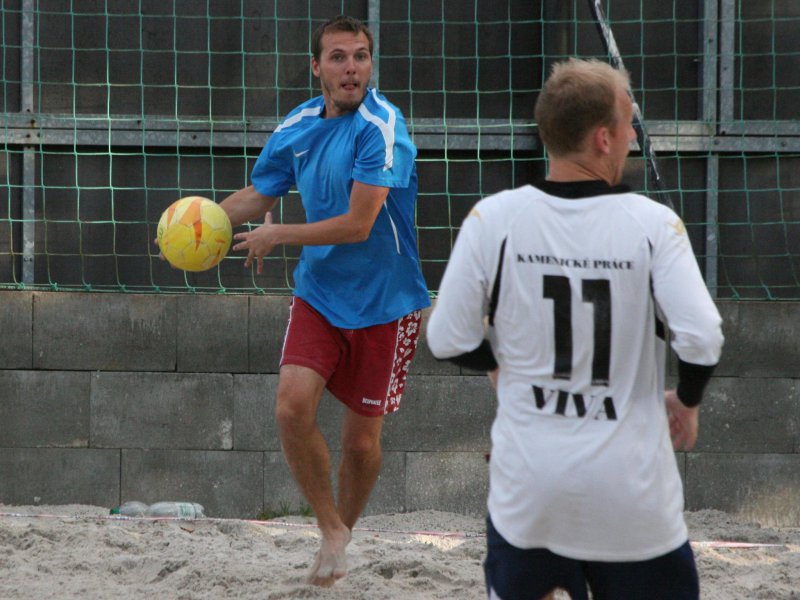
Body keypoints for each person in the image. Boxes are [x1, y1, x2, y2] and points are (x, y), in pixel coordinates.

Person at [426, 58, 724, 600]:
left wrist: (498, 367)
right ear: (604, 138)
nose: (635, 134)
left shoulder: (494, 218)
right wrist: (687, 399)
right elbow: (702, 336)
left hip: (531, 496)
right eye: (630, 121)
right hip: (631, 497)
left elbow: (447, 338)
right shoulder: (652, 224)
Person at [218, 15, 430, 587]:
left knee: (361, 443)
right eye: (338, 57)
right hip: (319, 292)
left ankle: (343, 532)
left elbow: (360, 224)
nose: (351, 68)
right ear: (317, 68)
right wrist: (201, 224)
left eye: (360, 56)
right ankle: (329, 528)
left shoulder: (382, 126)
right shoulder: (298, 124)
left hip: (386, 301)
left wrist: (276, 234)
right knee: (291, 407)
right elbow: (260, 193)